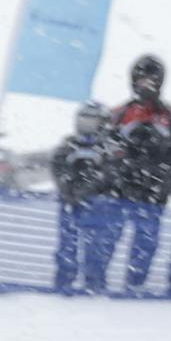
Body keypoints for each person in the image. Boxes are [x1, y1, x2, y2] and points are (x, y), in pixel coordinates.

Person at [108, 54, 171, 295]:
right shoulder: (118, 114)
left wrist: (166, 178)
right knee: (109, 236)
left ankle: (135, 284)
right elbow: (107, 149)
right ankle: (95, 281)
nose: (146, 84)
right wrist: (118, 174)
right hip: (122, 190)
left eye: (151, 80)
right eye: (142, 79)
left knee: (147, 240)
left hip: (155, 191)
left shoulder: (170, 116)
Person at [50, 102, 121, 296]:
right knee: (67, 245)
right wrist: (67, 189)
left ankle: (95, 282)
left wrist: (88, 188)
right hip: (69, 203)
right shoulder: (69, 145)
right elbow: (57, 167)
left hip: (98, 205)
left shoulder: (107, 149)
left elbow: (109, 173)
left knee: (95, 246)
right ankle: (64, 280)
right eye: (83, 120)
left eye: (92, 120)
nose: (86, 125)